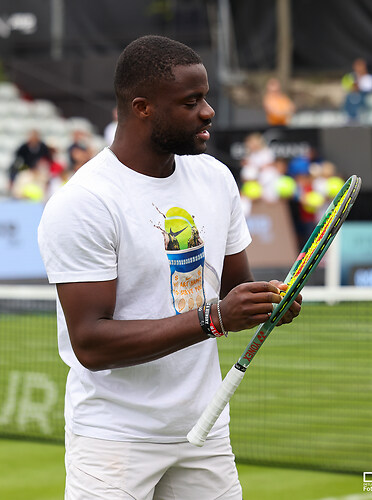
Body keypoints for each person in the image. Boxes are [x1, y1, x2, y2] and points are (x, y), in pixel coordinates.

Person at [38, 35, 302, 500]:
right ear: (142, 108)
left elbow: (239, 290)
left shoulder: (216, 178)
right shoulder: (85, 203)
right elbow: (91, 344)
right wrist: (215, 318)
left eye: (205, 98)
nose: (208, 112)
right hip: (114, 442)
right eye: (191, 101)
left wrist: (269, 302)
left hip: (203, 432)